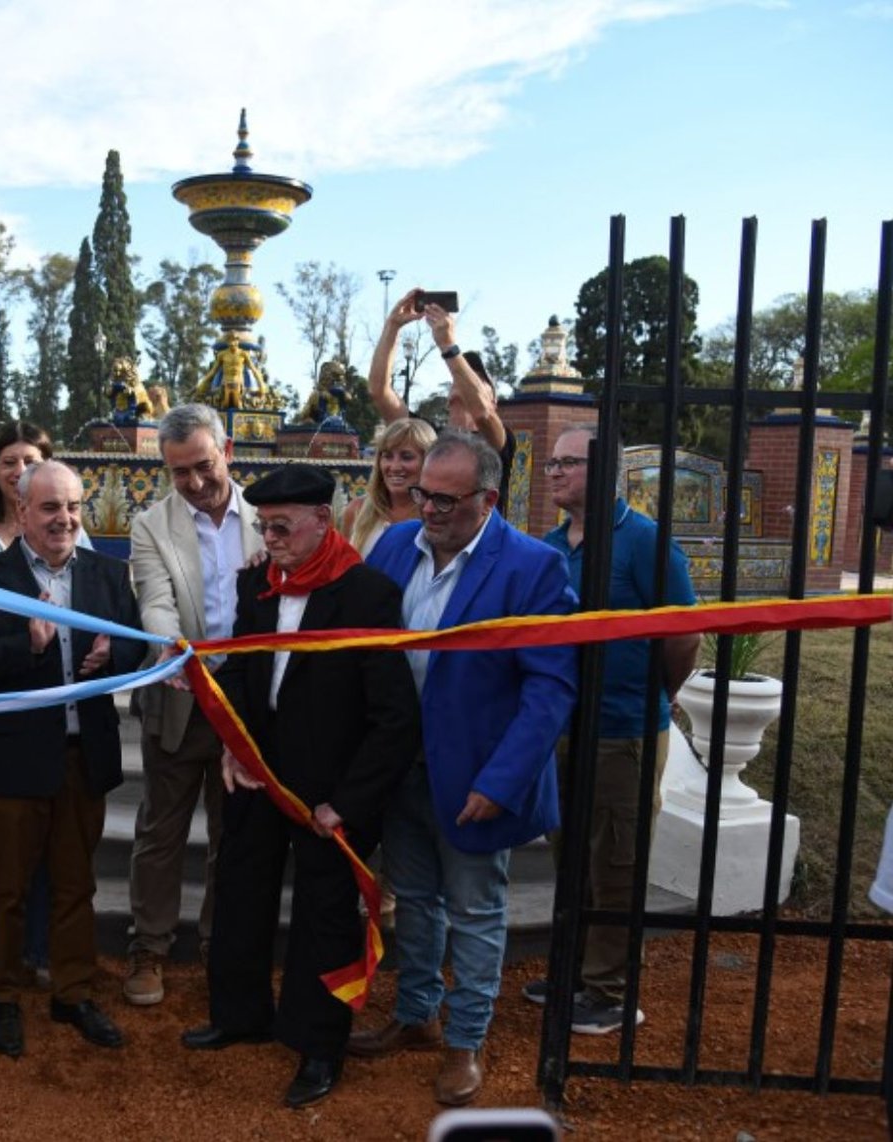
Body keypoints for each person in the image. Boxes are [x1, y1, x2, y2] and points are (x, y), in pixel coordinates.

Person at [180, 463, 421, 1110]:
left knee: (324, 916)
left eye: (282, 527)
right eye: (264, 527)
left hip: (332, 792)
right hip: (260, 774)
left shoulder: (368, 594)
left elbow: (394, 715)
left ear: (324, 520)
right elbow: (239, 668)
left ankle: (319, 1044)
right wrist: (234, 749)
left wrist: (347, 802)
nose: (271, 538)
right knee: (240, 893)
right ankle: (239, 1014)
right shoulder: (257, 582)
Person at [353, 430, 577, 1106]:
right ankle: (416, 1013)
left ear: (489, 498)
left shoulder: (532, 567)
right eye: (423, 493)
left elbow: (551, 689)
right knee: (414, 901)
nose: (429, 509)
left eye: (447, 500)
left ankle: (465, 1039)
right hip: (403, 770)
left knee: (476, 911)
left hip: (477, 780)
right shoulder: (394, 544)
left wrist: (501, 782)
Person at [0, 460, 146, 1059]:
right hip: (15, 758)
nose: (64, 519)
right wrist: (23, 644)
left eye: (72, 507)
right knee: (6, 887)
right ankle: (4, 997)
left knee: (73, 884)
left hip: (82, 756)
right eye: (50, 508)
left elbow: (138, 645)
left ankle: (72, 992)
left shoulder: (109, 576)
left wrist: (114, 655)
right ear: (21, 510)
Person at [524, 425, 698, 1034]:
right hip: (562, 728)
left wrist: (659, 697)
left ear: (607, 473)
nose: (554, 473)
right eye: (551, 463)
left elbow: (682, 635)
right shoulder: (550, 545)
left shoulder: (646, 543)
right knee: (570, 855)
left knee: (616, 862)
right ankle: (573, 972)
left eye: (567, 463)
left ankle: (611, 991)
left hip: (623, 729)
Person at [0, 420, 90, 993]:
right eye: (10, 461)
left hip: (57, 729)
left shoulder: (80, 545)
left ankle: (39, 951)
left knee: (51, 854)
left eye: (32, 459)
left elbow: (106, 619)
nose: (19, 469)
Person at [123, 404, 261, 1006]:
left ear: (227, 452)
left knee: (233, 837)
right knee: (160, 832)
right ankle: (148, 949)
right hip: (177, 691)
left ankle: (219, 946)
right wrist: (169, 650)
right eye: (180, 473)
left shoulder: (266, 520)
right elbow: (154, 599)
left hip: (248, 703)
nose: (196, 482)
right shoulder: (150, 525)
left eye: (204, 466)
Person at [367, 289, 513, 503]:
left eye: (475, 378)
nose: (463, 379)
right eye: (459, 375)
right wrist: (392, 326)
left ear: (494, 400)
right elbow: (379, 391)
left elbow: (482, 413)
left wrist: (447, 344)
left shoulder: (496, 440)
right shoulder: (429, 437)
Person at [342, 417, 438, 558]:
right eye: (387, 456)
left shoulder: (438, 516)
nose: (394, 467)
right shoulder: (356, 510)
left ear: (429, 460)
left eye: (406, 457)